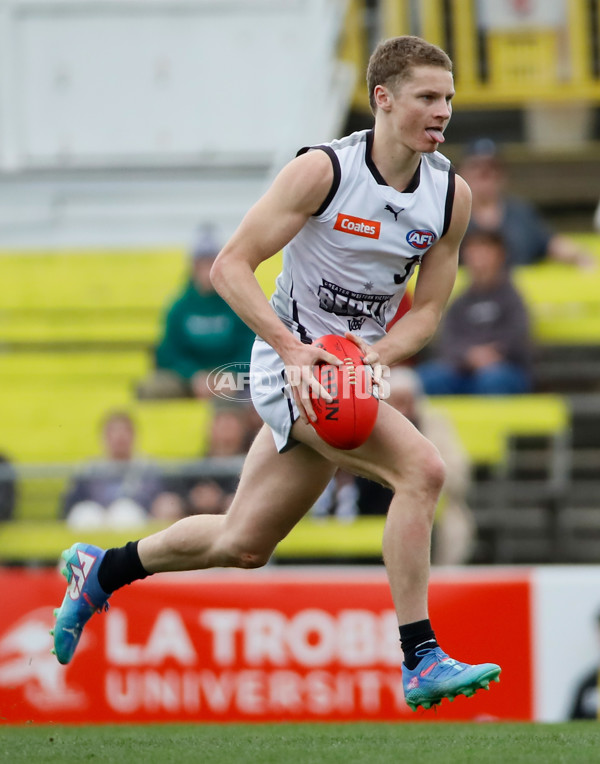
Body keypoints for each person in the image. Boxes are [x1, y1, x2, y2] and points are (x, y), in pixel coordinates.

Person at [51, 36, 501, 711]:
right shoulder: (322, 171)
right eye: (427, 98)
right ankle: (420, 656)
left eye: (449, 99)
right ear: (383, 99)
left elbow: (430, 310)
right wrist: (293, 350)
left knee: (243, 541)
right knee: (424, 470)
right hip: (287, 364)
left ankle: (103, 568)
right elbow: (231, 266)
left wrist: (376, 355)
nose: (442, 112)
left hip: (349, 374)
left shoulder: (449, 197)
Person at [357, 366, 475, 565]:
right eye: (396, 402)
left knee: (452, 526)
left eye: (407, 401)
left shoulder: (436, 425)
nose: (402, 410)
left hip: (432, 506)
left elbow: (458, 475)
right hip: (375, 507)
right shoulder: (370, 425)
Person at [136, 224, 255, 400]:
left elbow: (251, 347)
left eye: (211, 263)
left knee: (264, 386)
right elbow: (168, 352)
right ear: (192, 266)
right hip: (190, 381)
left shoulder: (237, 302)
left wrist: (230, 376)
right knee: (151, 388)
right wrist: (193, 375)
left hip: (231, 380)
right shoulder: (179, 307)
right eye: (202, 264)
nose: (207, 271)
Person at [417, 229, 533, 395]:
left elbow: (518, 337)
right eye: (474, 251)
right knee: (429, 377)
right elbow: (448, 341)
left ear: (500, 255)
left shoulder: (513, 299)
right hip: (461, 372)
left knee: (494, 379)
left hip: (504, 370)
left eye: (486, 250)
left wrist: (494, 353)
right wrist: (469, 356)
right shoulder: (459, 303)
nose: (479, 258)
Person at [458, 138, 595, 269]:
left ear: (503, 174)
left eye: (492, 168)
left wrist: (581, 257)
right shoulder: (452, 215)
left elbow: (550, 244)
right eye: (476, 167)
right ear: (462, 172)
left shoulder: (520, 213)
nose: (485, 175)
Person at [61, 410, 184, 529]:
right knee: (86, 513)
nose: (119, 437)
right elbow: (70, 507)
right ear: (104, 437)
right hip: (97, 521)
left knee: (124, 513)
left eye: (125, 431)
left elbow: (161, 501)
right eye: (113, 432)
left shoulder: (150, 469)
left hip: (137, 522)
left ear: (134, 435)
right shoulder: (89, 470)